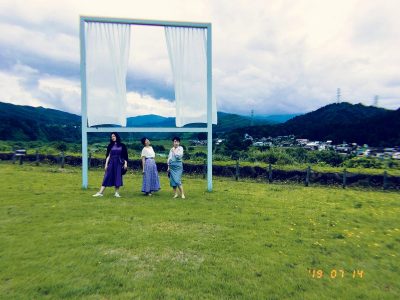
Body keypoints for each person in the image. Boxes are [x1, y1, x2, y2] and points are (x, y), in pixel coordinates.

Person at [93, 132, 128, 198]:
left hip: (119, 162)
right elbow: (108, 156)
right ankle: (100, 192)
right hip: (111, 162)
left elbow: (125, 156)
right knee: (107, 176)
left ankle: (116, 193)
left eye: (114, 136)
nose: (113, 137)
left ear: (117, 136)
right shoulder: (110, 145)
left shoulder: (122, 145)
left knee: (118, 177)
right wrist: (106, 165)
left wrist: (125, 163)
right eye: (112, 136)